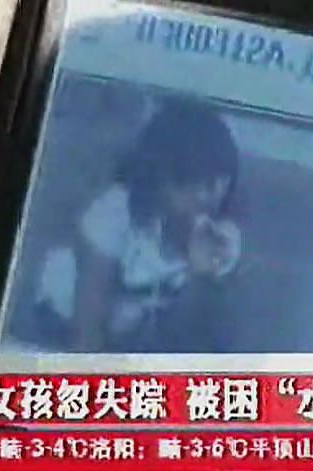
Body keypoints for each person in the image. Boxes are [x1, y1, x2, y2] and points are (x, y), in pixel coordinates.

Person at [31, 98, 242, 352]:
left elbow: (186, 339)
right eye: (190, 181)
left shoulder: (223, 238)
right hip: (61, 318)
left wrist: (200, 274)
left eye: (218, 181)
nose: (206, 195)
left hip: (135, 335)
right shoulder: (114, 211)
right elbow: (88, 327)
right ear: (159, 177)